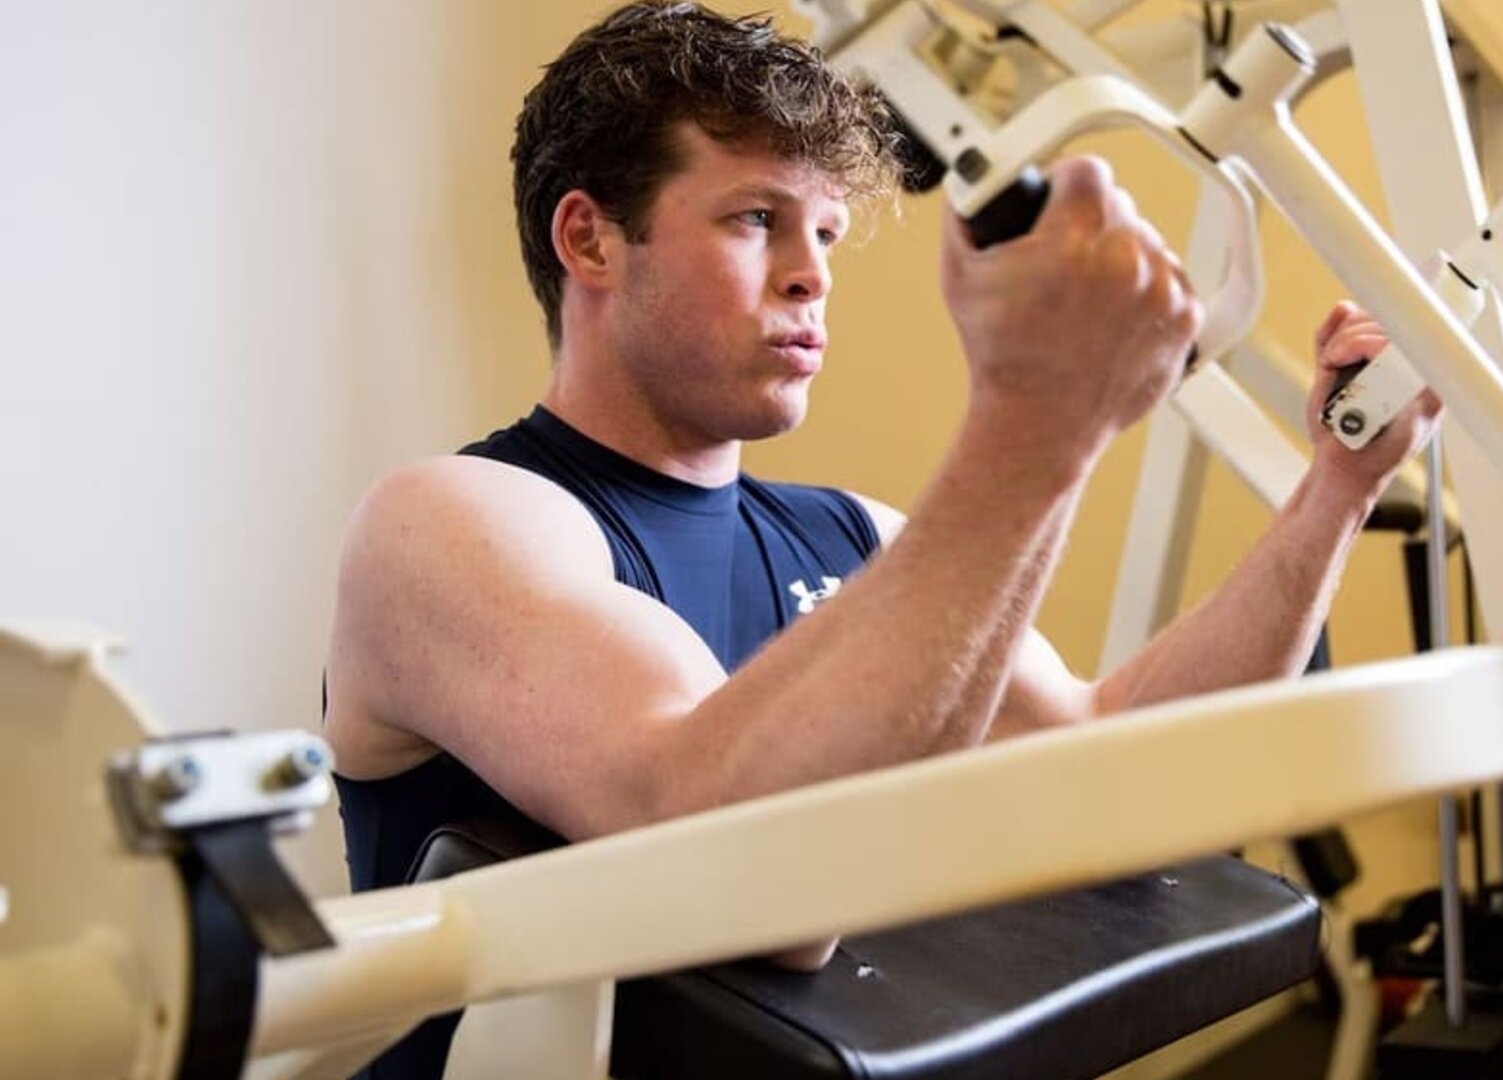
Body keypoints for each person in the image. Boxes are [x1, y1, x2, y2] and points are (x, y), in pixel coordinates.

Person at [322, 3, 1436, 1076]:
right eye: (755, 218)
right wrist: (1044, 416)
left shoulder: (851, 536)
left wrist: (1341, 483)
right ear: (591, 239)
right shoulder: (452, 523)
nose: (811, 274)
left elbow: (1122, 765)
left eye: (825, 234)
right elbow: (734, 863)